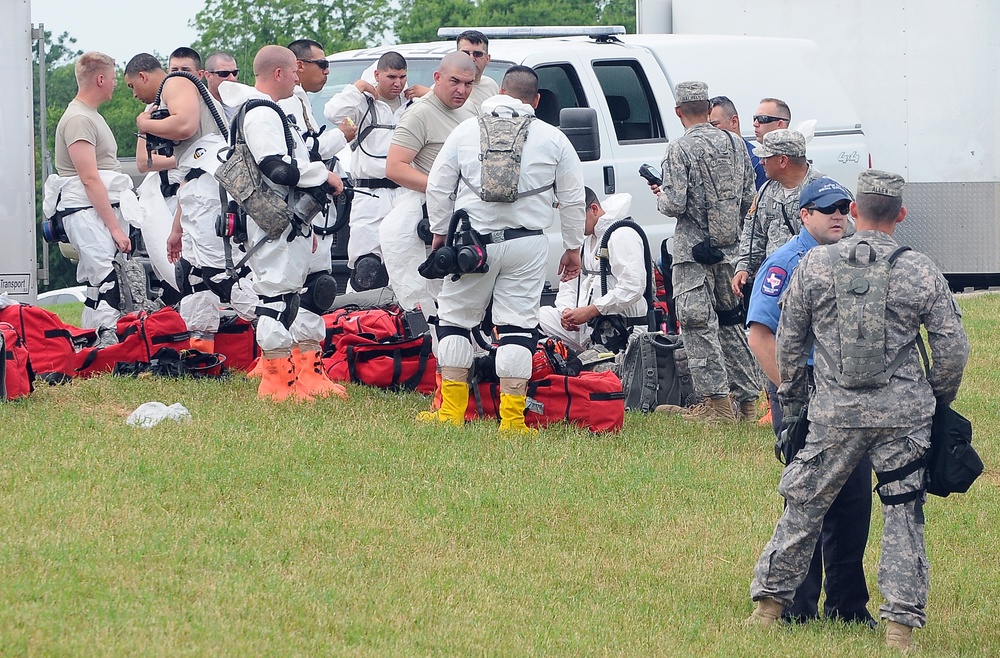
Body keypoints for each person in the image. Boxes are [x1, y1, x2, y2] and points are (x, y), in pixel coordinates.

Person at [747, 170, 970, 652]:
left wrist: (796, 403)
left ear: (853, 212)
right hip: (903, 417)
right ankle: (899, 629)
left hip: (833, 414)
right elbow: (952, 349)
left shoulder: (815, 266)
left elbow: (788, 345)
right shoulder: (921, 268)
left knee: (802, 509)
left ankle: (767, 610)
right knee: (903, 515)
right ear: (901, 215)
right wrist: (935, 401)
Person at [422, 65, 585, 432]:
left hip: (472, 246)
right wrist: (573, 247)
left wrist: (438, 233)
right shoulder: (553, 138)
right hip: (527, 244)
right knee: (517, 327)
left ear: (499, 92)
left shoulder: (465, 130)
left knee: (455, 322)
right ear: (536, 100)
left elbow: (438, 186)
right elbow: (573, 199)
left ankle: (451, 413)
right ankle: (511, 421)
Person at [746, 177, 875, 627]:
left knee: (854, 498)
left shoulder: (858, 259)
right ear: (804, 215)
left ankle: (848, 608)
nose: (839, 216)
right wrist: (792, 394)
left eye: (845, 208)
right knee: (807, 500)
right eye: (828, 209)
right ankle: (797, 605)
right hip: (805, 390)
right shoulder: (784, 264)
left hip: (849, 394)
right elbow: (760, 335)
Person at [219, 45, 347, 402]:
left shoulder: (272, 111)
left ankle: (302, 370)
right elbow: (274, 166)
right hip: (273, 220)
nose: (297, 76)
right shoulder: (261, 113)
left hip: (289, 218)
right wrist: (323, 175)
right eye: (292, 71)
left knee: (303, 291)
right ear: (278, 73)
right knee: (276, 295)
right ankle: (276, 380)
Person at [649, 81, 759, 423]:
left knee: (698, 326)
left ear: (679, 111)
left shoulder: (680, 149)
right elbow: (747, 199)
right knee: (732, 323)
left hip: (692, 254)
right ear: (707, 108)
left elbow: (674, 203)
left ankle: (717, 407)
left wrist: (660, 194)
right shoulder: (736, 143)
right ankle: (748, 403)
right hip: (730, 251)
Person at [130, 49, 232, 355]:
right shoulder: (174, 90)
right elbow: (189, 174)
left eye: (133, 86)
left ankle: (282, 347)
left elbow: (185, 125)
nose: (135, 95)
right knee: (194, 277)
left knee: (220, 277)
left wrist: (143, 122)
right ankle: (201, 352)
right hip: (198, 189)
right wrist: (176, 229)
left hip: (210, 191)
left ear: (144, 76)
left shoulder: (175, 82)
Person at [381, 52, 477, 318]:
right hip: (431, 217)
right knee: (435, 301)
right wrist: (441, 188)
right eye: (455, 81)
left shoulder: (470, 111)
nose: (462, 90)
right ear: (437, 78)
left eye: (469, 84)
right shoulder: (420, 114)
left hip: (469, 215)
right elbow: (395, 167)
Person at [47, 51, 134, 344]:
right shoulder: (79, 119)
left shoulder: (89, 116)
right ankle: (108, 341)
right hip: (85, 212)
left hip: (94, 209)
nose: (115, 84)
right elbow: (89, 177)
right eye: (112, 78)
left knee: (99, 284)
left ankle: (93, 340)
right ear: (100, 79)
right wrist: (115, 228)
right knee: (106, 278)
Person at [324, 51, 410, 287]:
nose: (398, 83)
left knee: (405, 264)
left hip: (405, 192)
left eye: (402, 77)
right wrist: (358, 87)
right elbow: (332, 112)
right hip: (369, 193)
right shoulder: (362, 103)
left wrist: (429, 95)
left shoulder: (412, 105)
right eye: (391, 76)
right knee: (366, 269)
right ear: (377, 75)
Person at [538, 187, 646, 352]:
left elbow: (633, 287)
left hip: (619, 329)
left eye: (576, 220)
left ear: (594, 209)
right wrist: (565, 312)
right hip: (586, 327)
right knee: (534, 317)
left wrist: (591, 311)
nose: (574, 227)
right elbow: (569, 285)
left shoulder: (621, 235)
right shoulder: (585, 241)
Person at [732, 129, 822, 294]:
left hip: (811, 286)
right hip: (774, 284)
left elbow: (845, 238)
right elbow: (754, 233)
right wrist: (743, 267)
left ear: (782, 161)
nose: (761, 162)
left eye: (766, 157)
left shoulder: (823, 191)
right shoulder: (766, 190)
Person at [405, 30, 500, 113]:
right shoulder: (440, 88)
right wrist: (432, 94)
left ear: (487, 59)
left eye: (477, 54)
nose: (471, 58)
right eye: (465, 53)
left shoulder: (491, 86)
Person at [710, 95, 764, 189]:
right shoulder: (707, 160)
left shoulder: (757, 162)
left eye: (714, 125)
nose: (709, 131)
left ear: (734, 122)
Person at [204, 51, 240, 120]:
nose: (232, 78)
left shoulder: (243, 105)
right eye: (224, 73)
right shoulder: (198, 106)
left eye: (235, 73)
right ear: (208, 76)